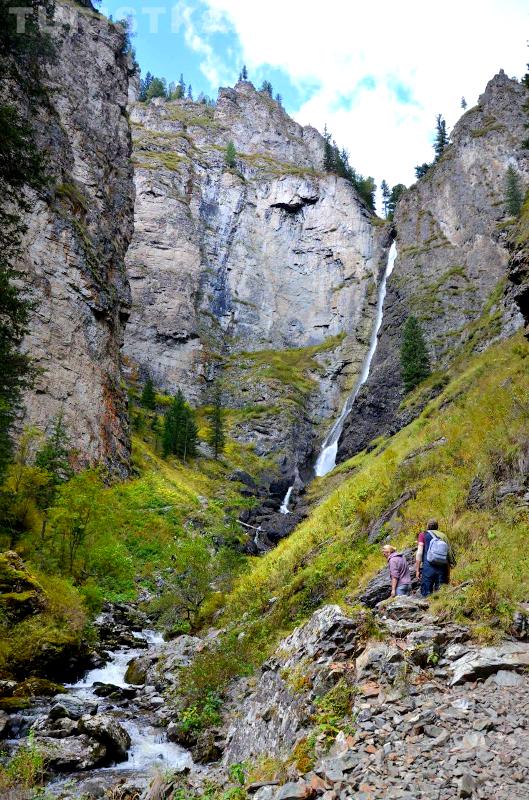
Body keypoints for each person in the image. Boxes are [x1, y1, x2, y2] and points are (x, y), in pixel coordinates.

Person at [415, 519, 455, 597]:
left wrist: (417, 570)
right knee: (441, 594)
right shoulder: (443, 535)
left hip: (428, 568)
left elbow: (419, 553)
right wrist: (449, 571)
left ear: (427, 526)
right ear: (437, 527)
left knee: (426, 594)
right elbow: (448, 554)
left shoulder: (423, 535)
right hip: (442, 568)